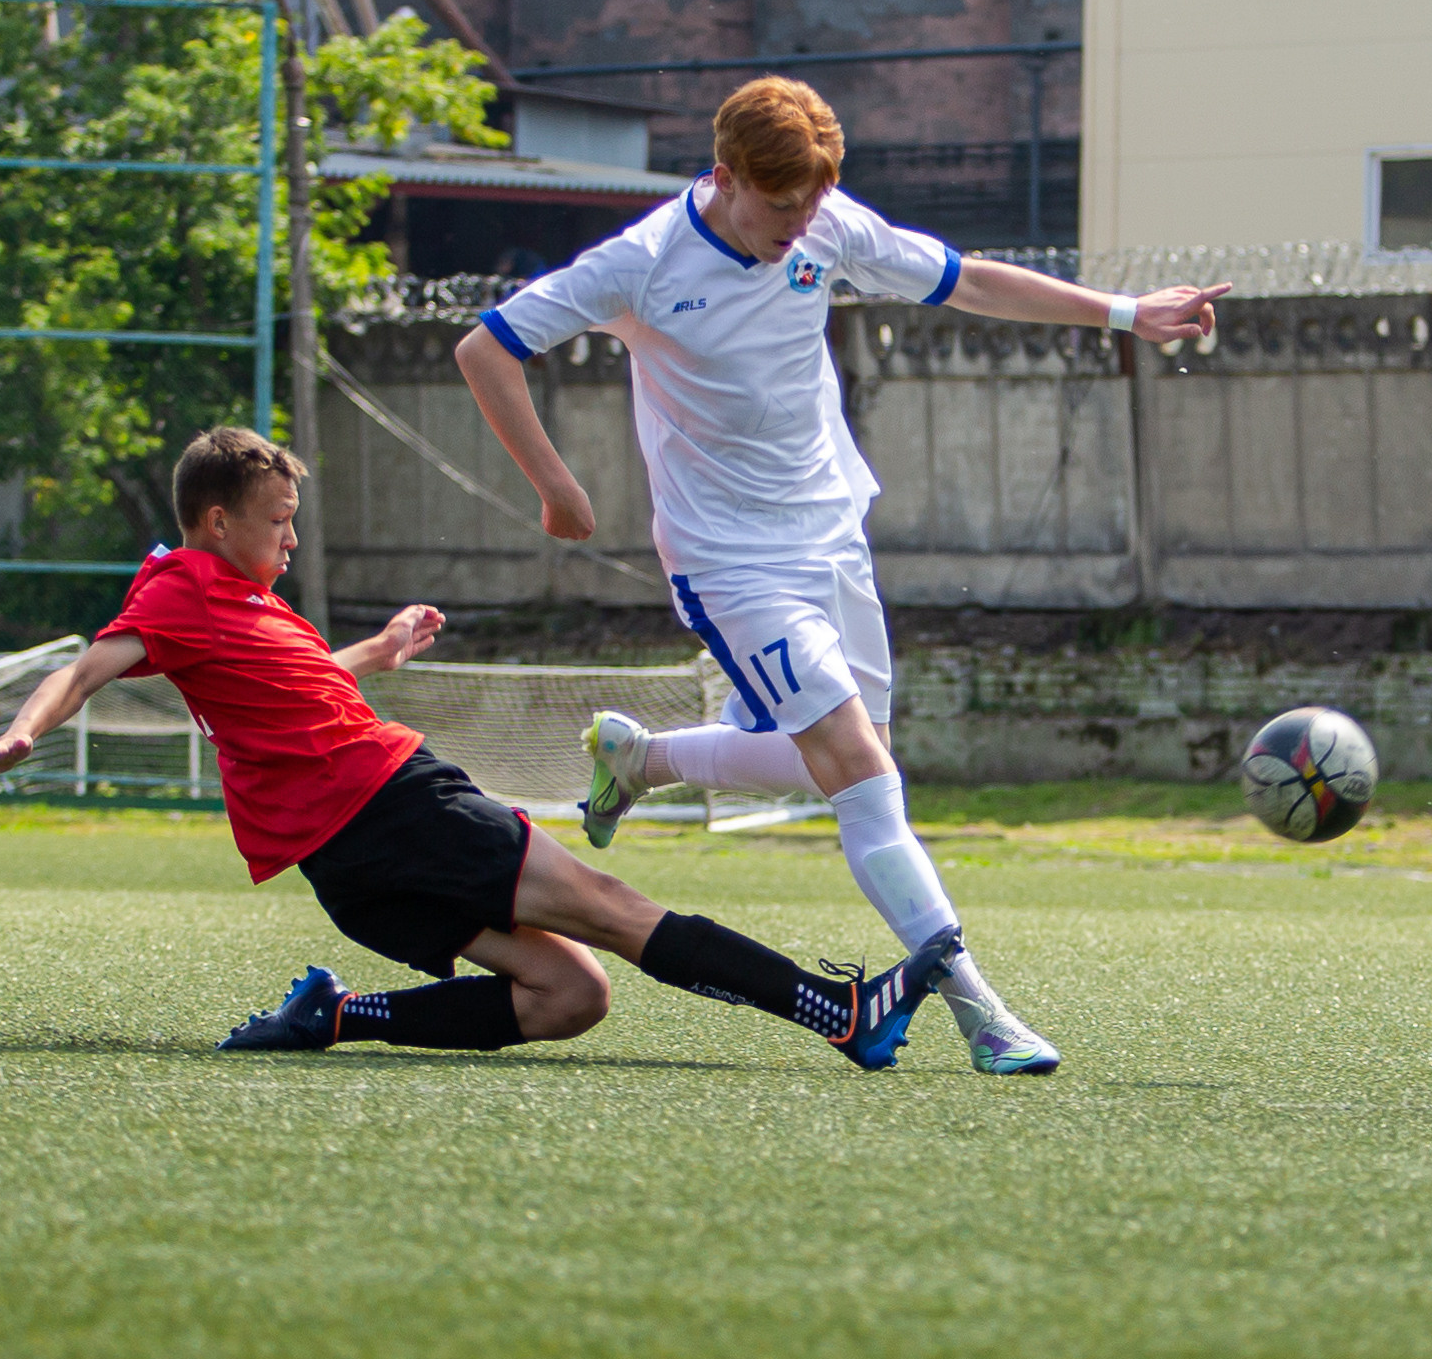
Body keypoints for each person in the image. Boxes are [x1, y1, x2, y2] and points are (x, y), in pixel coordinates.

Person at [455, 77, 1229, 1076]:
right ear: (725, 178)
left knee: (850, 761)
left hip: (833, 535)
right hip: (732, 562)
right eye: (782, 206)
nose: (801, 224)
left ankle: (641, 760)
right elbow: (488, 346)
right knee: (866, 778)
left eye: (814, 203)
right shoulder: (643, 263)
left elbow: (966, 280)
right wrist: (557, 488)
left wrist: (1126, 311)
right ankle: (974, 1005)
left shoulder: (823, 221)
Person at [0, 426, 957, 1068]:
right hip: (395, 805)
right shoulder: (178, 590)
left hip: (348, 864)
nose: (292, 541)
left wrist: (376, 651)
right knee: (615, 909)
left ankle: (336, 1017)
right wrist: (20, 730)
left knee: (570, 995)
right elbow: (89, 665)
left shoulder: (240, 606)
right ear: (216, 521)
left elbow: (295, 693)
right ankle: (840, 1013)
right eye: (279, 523)